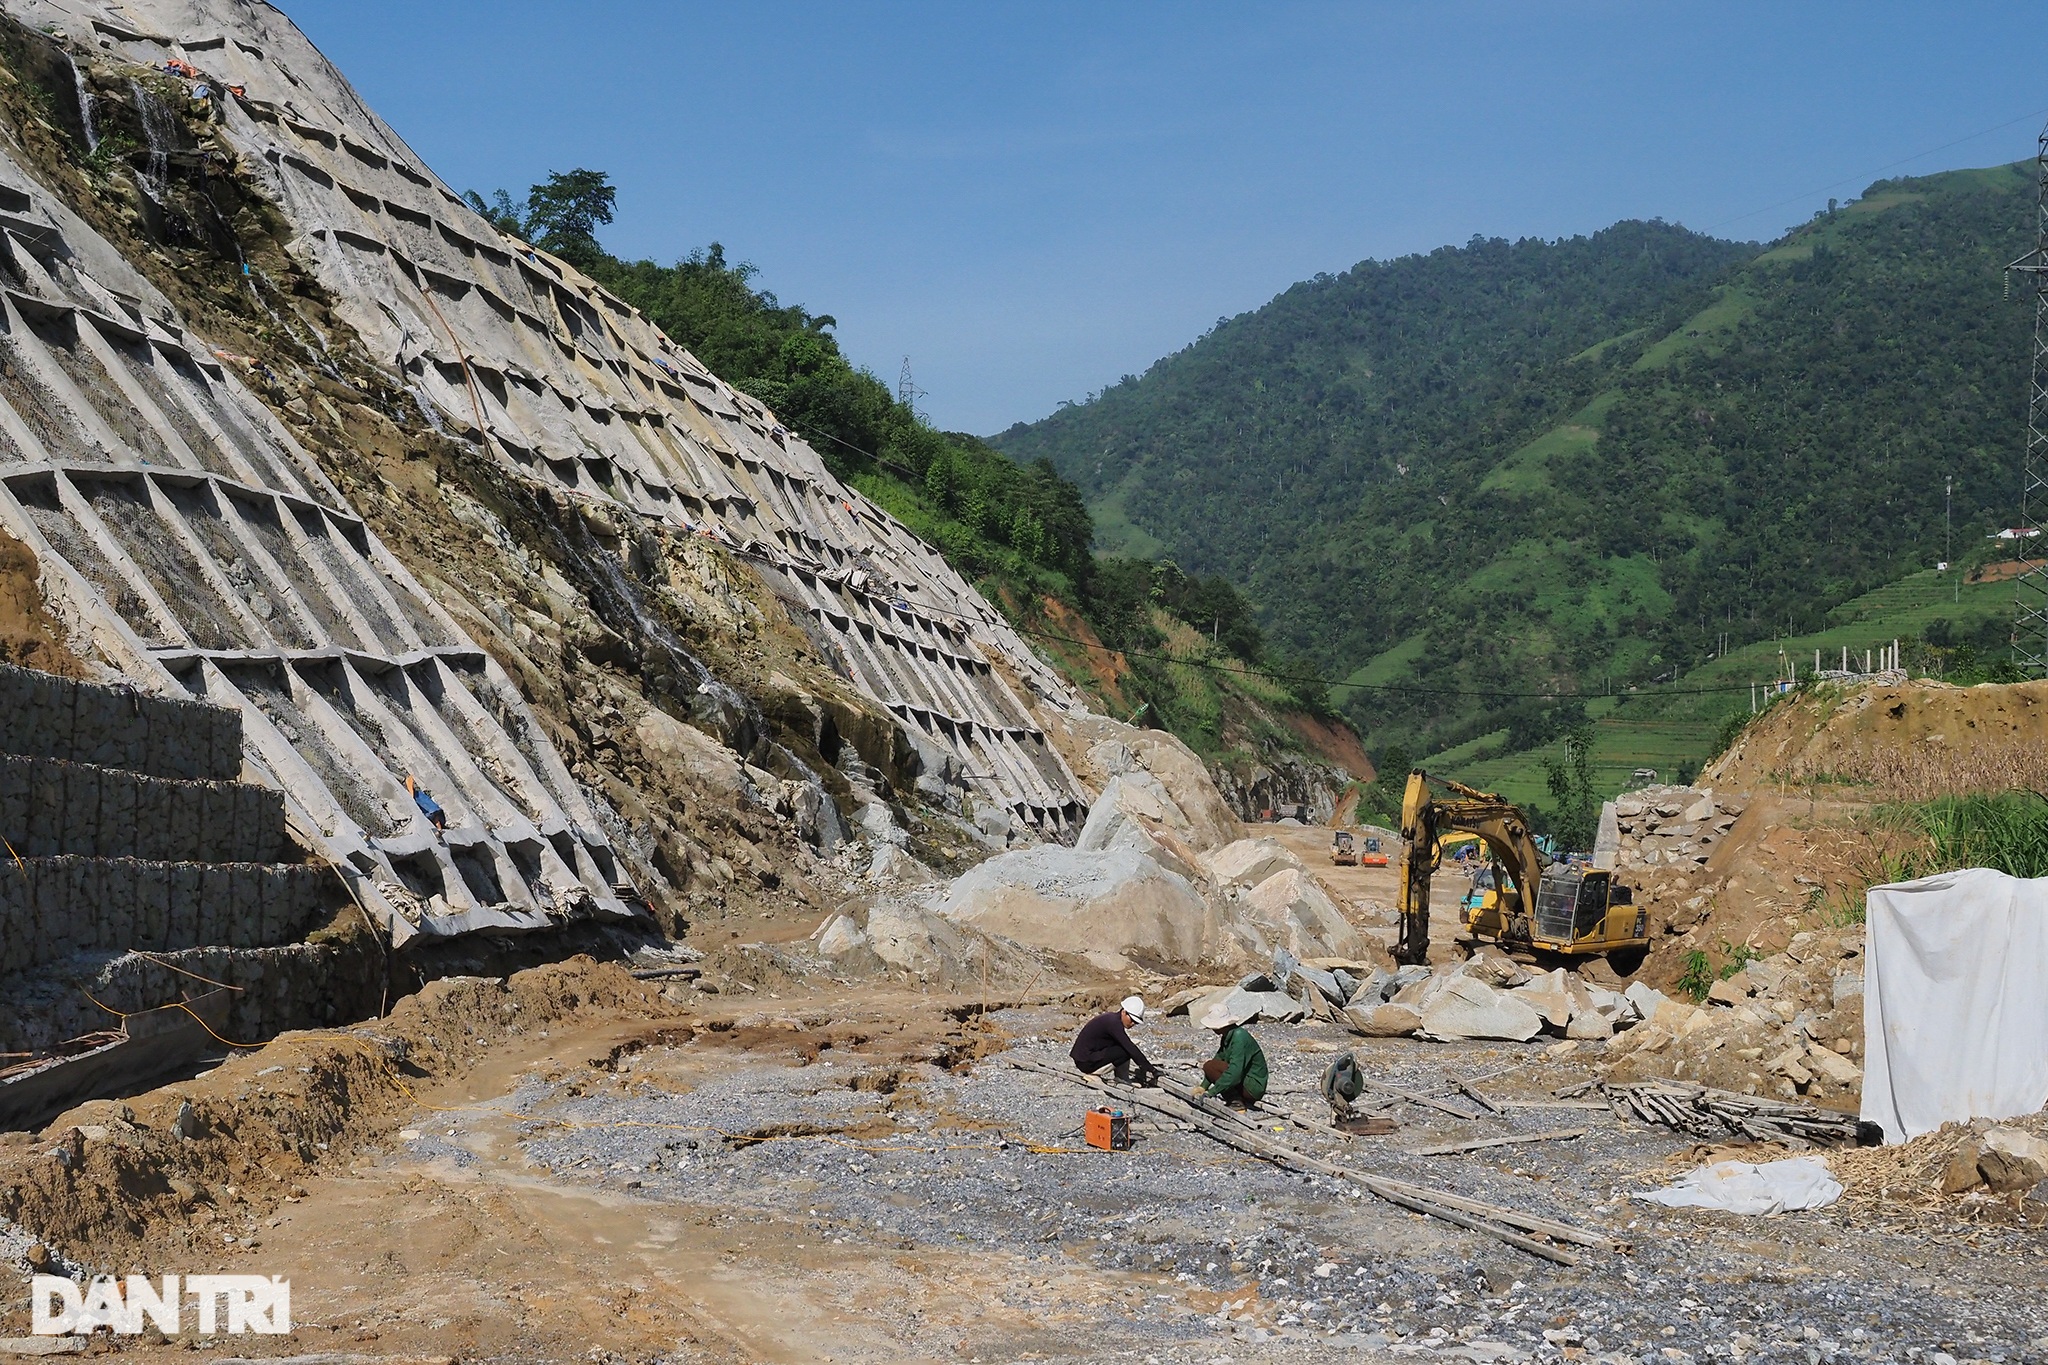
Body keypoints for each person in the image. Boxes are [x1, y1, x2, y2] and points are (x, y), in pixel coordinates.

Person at [1069, 996, 1157, 1085]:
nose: (1133, 1023)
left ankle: (1122, 1077)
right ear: (1124, 1012)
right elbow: (1129, 1047)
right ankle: (1093, 1074)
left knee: (1123, 1048)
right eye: (1132, 1020)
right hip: (1085, 1063)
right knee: (1126, 1050)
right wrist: (1150, 1068)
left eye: (1136, 1022)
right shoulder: (1113, 1023)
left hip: (1085, 1058)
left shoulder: (1112, 1019)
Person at [1196, 1003, 1268, 1108]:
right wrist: (1203, 1087)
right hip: (1245, 1082)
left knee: (1215, 1067)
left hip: (1254, 1087)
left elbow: (1235, 1072)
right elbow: (1218, 1059)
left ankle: (1236, 1101)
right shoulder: (1228, 1035)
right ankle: (1236, 1097)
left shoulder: (1239, 1037)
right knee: (1210, 1065)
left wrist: (1212, 1092)